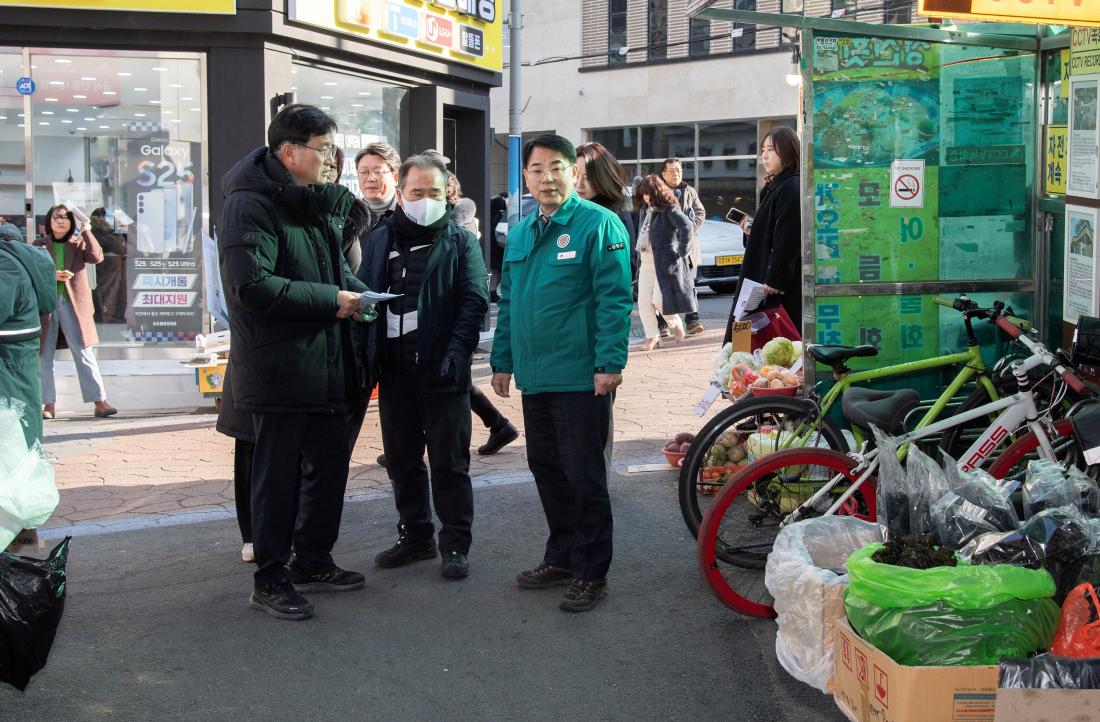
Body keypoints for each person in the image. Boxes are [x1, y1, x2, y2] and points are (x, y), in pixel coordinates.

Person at [219, 103, 368, 621]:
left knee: (328, 468)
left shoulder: (312, 199)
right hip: (277, 368)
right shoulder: (249, 204)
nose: (332, 162)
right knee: (276, 479)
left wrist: (360, 300)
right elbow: (251, 286)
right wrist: (331, 300)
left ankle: (313, 560)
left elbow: (336, 271)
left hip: (326, 362)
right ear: (289, 152)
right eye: (323, 150)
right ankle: (271, 578)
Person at [490, 134, 632, 613]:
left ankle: (592, 570)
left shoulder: (600, 224)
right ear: (525, 176)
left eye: (556, 168)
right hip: (536, 375)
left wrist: (609, 362)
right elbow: (510, 301)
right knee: (547, 468)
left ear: (575, 173)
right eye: (536, 169)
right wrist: (502, 360)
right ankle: (563, 556)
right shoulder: (523, 231)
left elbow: (615, 299)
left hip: (581, 376)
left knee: (584, 473)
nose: (546, 177)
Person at [357, 153, 489, 580]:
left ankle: (455, 545)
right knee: (402, 460)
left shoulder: (461, 241)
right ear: (401, 193)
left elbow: (474, 301)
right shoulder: (378, 239)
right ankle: (415, 536)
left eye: (434, 193)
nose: (425, 201)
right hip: (394, 372)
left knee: (450, 463)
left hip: (442, 370)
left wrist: (457, 353)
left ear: (446, 195)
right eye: (417, 193)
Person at [35, 203, 117, 420]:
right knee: (44, 356)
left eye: (65, 217)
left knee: (83, 353)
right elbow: (32, 273)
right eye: (56, 216)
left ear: (72, 221)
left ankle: (100, 402)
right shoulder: (39, 245)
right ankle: (48, 404)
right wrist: (52, 276)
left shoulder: (79, 242)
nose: (61, 220)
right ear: (49, 221)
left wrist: (87, 229)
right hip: (47, 305)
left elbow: (96, 256)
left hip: (74, 305)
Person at [723, 126, 802, 347]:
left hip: (769, 282)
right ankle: (741, 373)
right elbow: (771, 231)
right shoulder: (775, 185)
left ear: (787, 152)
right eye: (763, 149)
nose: (765, 155)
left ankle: (750, 373)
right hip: (759, 274)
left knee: (759, 336)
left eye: (771, 150)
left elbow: (788, 238)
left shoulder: (791, 187)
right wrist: (751, 231)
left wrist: (775, 279)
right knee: (744, 330)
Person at [634, 175, 697, 351]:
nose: (646, 198)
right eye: (643, 195)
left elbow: (687, 226)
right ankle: (651, 336)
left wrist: (682, 250)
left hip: (665, 262)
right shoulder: (646, 210)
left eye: (648, 194)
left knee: (660, 301)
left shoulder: (669, 210)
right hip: (646, 262)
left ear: (657, 192)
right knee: (644, 301)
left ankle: (675, 323)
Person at [658, 158, 706, 335]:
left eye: (678, 170)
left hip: (687, 248)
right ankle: (663, 325)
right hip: (665, 247)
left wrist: (688, 228)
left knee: (689, 285)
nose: (675, 174)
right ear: (663, 174)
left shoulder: (689, 191)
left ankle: (693, 321)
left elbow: (700, 212)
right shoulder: (658, 192)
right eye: (671, 171)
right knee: (663, 286)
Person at [575, 141, 636, 278]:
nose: (579, 184)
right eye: (575, 175)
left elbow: (625, 269)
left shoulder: (612, 216)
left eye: (587, 177)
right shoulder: (565, 211)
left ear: (602, 177)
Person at [88, 208, 128, 325]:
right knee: (109, 295)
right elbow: (119, 247)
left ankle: (104, 318)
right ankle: (106, 318)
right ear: (101, 217)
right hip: (109, 267)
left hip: (105, 267)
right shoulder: (104, 231)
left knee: (104, 293)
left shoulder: (96, 231)